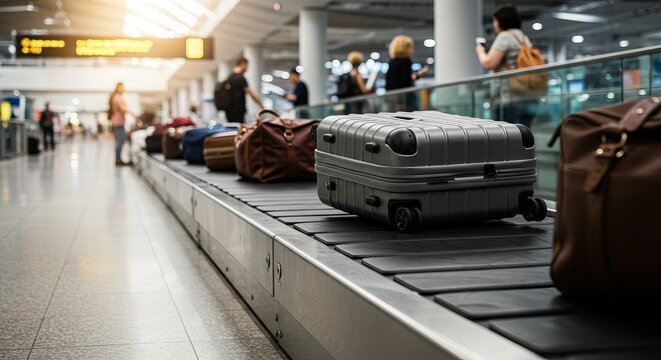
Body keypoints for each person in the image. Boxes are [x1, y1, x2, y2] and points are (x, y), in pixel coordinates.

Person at [475, 4, 538, 127]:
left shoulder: (505, 36)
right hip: (529, 96)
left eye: (495, 21)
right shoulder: (524, 38)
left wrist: (480, 51)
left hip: (509, 98)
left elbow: (489, 63)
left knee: (507, 138)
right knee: (524, 137)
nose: (494, 24)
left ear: (501, 21)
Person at [385, 35, 428, 111]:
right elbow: (406, 81)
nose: (412, 49)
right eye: (411, 47)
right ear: (406, 47)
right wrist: (418, 75)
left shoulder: (392, 61)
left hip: (392, 98)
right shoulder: (406, 61)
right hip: (405, 99)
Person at [225, 57, 264, 123]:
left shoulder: (229, 77)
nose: (247, 68)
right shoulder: (240, 78)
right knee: (239, 130)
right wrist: (261, 104)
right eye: (247, 65)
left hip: (229, 111)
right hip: (238, 111)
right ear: (243, 64)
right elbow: (250, 93)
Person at [108, 82, 136, 166]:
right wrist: (133, 113)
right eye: (122, 87)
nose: (124, 88)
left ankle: (118, 159)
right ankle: (118, 159)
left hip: (117, 121)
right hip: (118, 122)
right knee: (121, 140)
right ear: (118, 87)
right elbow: (122, 108)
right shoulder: (117, 97)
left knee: (119, 140)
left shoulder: (116, 96)